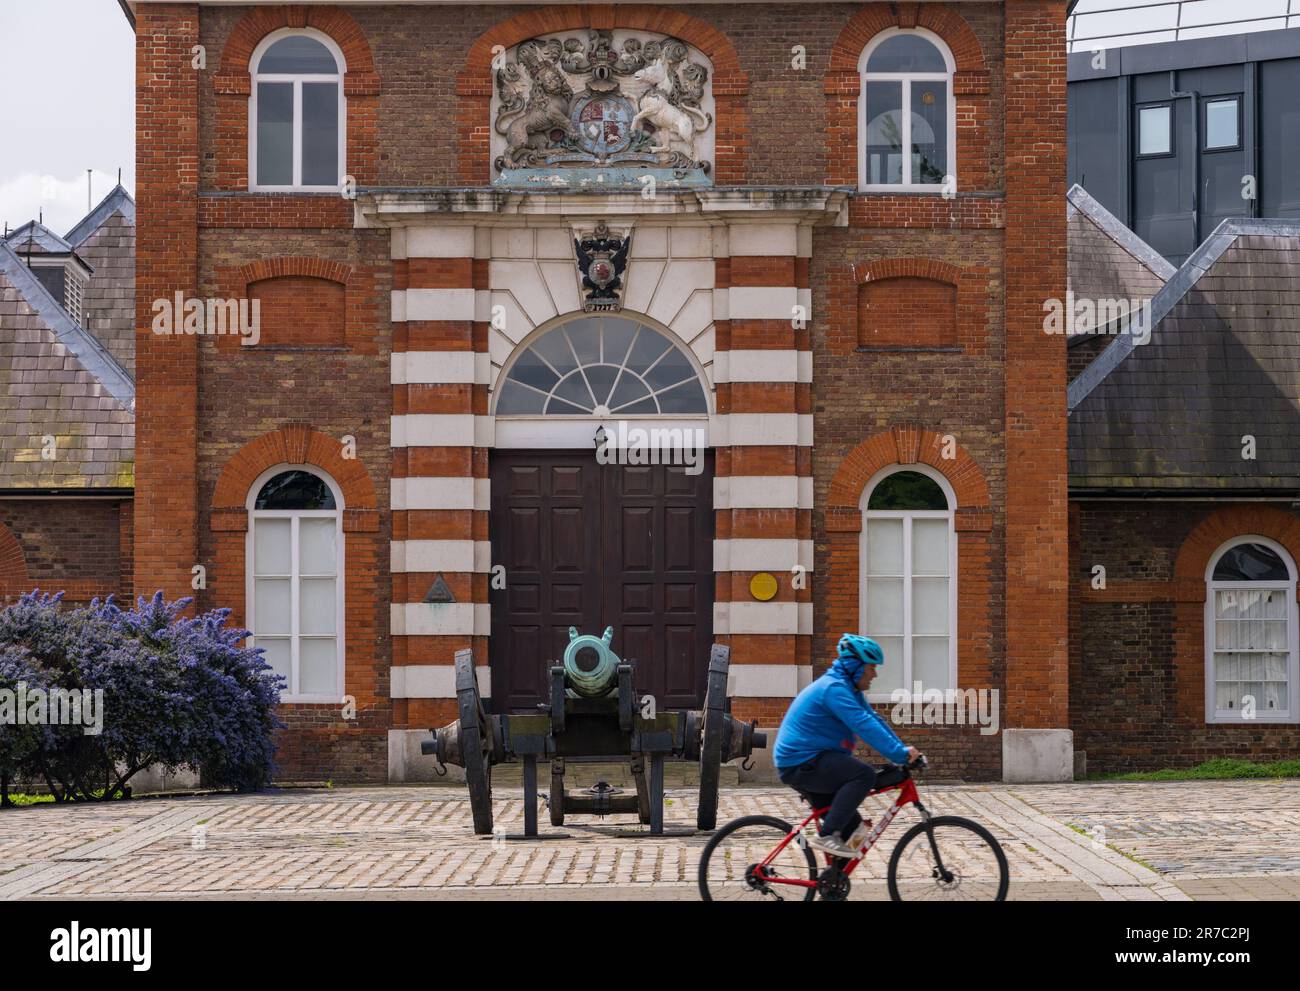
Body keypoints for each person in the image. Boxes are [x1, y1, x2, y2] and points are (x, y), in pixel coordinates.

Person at [773, 633, 922, 858]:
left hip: (812, 760)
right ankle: (826, 835)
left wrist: (901, 750)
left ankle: (833, 883)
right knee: (863, 775)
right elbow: (863, 725)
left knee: (855, 831)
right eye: (871, 667)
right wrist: (898, 754)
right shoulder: (834, 689)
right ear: (855, 666)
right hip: (801, 762)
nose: (875, 674)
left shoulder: (849, 689)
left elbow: (874, 720)